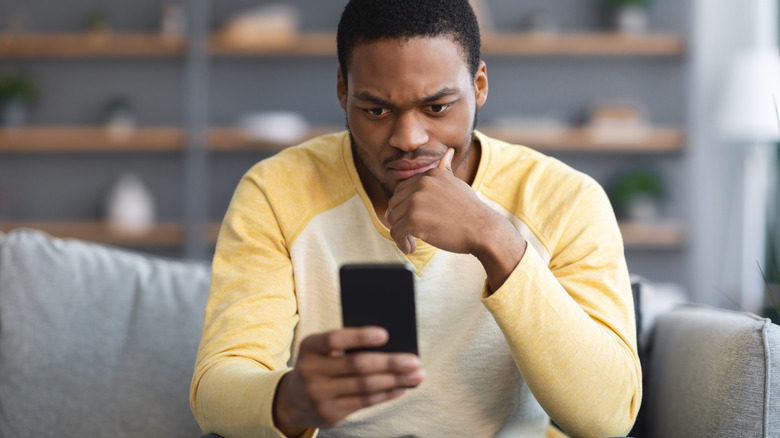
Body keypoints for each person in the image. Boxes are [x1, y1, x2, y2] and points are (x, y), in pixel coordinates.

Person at [190, 0, 642, 437]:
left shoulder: (565, 199)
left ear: (479, 85)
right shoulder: (275, 192)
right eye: (376, 110)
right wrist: (289, 400)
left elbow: (607, 415)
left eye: (437, 107)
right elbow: (215, 390)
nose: (408, 138)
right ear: (343, 91)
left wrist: (494, 238)